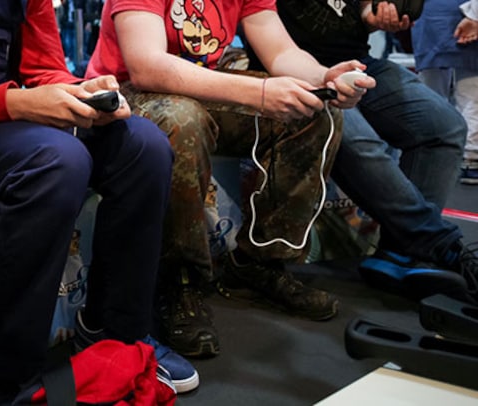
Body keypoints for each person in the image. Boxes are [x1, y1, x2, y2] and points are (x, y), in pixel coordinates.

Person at [0, 0, 200, 401]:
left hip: (16, 117)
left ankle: (117, 333)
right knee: (58, 161)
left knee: (144, 146)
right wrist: (18, 102)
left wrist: (79, 92)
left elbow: (45, 68)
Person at [85, 0, 372, 358]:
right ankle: (178, 282)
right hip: (124, 93)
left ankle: (258, 263)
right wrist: (260, 93)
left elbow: (281, 51)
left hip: (199, 84)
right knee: (182, 120)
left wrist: (324, 78)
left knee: (313, 110)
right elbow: (147, 67)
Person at [272, 1, 478, 304]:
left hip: (357, 63)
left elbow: (358, 12)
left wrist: (374, 16)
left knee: (445, 126)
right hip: (294, 69)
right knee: (358, 142)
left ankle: (400, 252)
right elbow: (272, 40)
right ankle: (438, 244)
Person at [412, 0, 478, 184]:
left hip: (430, 18)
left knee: (431, 96)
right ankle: (470, 160)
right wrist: (475, 15)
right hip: (462, 16)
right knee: (471, 95)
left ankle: (431, 156)